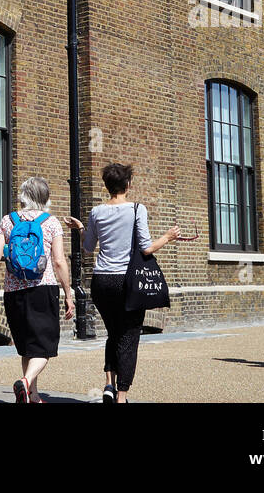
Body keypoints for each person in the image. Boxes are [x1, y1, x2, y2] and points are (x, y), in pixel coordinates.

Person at [64, 162, 181, 404]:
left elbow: (88, 248)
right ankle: (121, 396)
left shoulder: (97, 212)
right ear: (128, 185)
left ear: (107, 186)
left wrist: (81, 228)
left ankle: (109, 385)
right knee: (128, 337)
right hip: (127, 282)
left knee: (113, 334)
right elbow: (147, 248)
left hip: (101, 282)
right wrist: (168, 237)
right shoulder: (137, 209)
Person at [0, 176, 74, 403]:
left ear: (23, 196)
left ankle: (32, 396)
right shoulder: (51, 223)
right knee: (44, 348)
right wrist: (68, 294)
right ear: (45, 198)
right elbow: (59, 261)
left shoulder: (7, 220)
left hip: (13, 292)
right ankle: (26, 382)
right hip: (43, 289)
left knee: (26, 347)